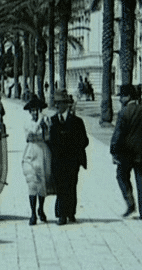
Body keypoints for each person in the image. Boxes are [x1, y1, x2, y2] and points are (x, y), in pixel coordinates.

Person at [110, 84, 142, 220]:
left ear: (128, 97)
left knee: (121, 175)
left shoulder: (124, 113)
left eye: (122, 96)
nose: (120, 99)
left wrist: (114, 152)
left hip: (127, 152)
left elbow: (117, 135)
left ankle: (130, 203)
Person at [48, 90, 89, 225]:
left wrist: (74, 146)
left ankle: (71, 213)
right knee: (60, 187)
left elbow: (85, 141)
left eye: (60, 103)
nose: (57, 106)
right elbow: (50, 141)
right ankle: (61, 215)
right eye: (56, 103)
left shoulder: (77, 121)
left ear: (67, 104)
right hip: (58, 161)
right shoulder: (52, 121)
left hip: (72, 160)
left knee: (71, 186)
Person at [21, 95, 54, 225]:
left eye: (37, 110)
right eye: (33, 110)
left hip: (43, 152)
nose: (35, 112)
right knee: (32, 182)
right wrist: (39, 121)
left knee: (42, 182)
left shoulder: (44, 123)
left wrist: (46, 126)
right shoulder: (27, 123)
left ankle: (41, 209)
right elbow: (30, 135)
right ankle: (33, 213)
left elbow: (47, 137)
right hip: (31, 151)